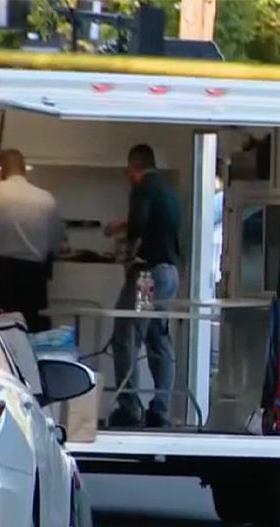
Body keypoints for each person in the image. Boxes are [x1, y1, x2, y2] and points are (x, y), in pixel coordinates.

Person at [106, 144, 182, 429]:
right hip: (170, 274)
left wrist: (126, 251)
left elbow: (138, 225)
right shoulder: (168, 191)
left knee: (126, 335)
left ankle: (129, 407)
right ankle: (160, 408)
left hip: (148, 276)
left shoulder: (142, 188)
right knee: (158, 337)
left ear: (134, 167)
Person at [0, 148, 64, 333]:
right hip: (35, 274)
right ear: (24, 168)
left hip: (1, 272)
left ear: (1, 168)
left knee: (3, 326)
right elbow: (56, 242)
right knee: (33, 326)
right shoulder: (46, 198)